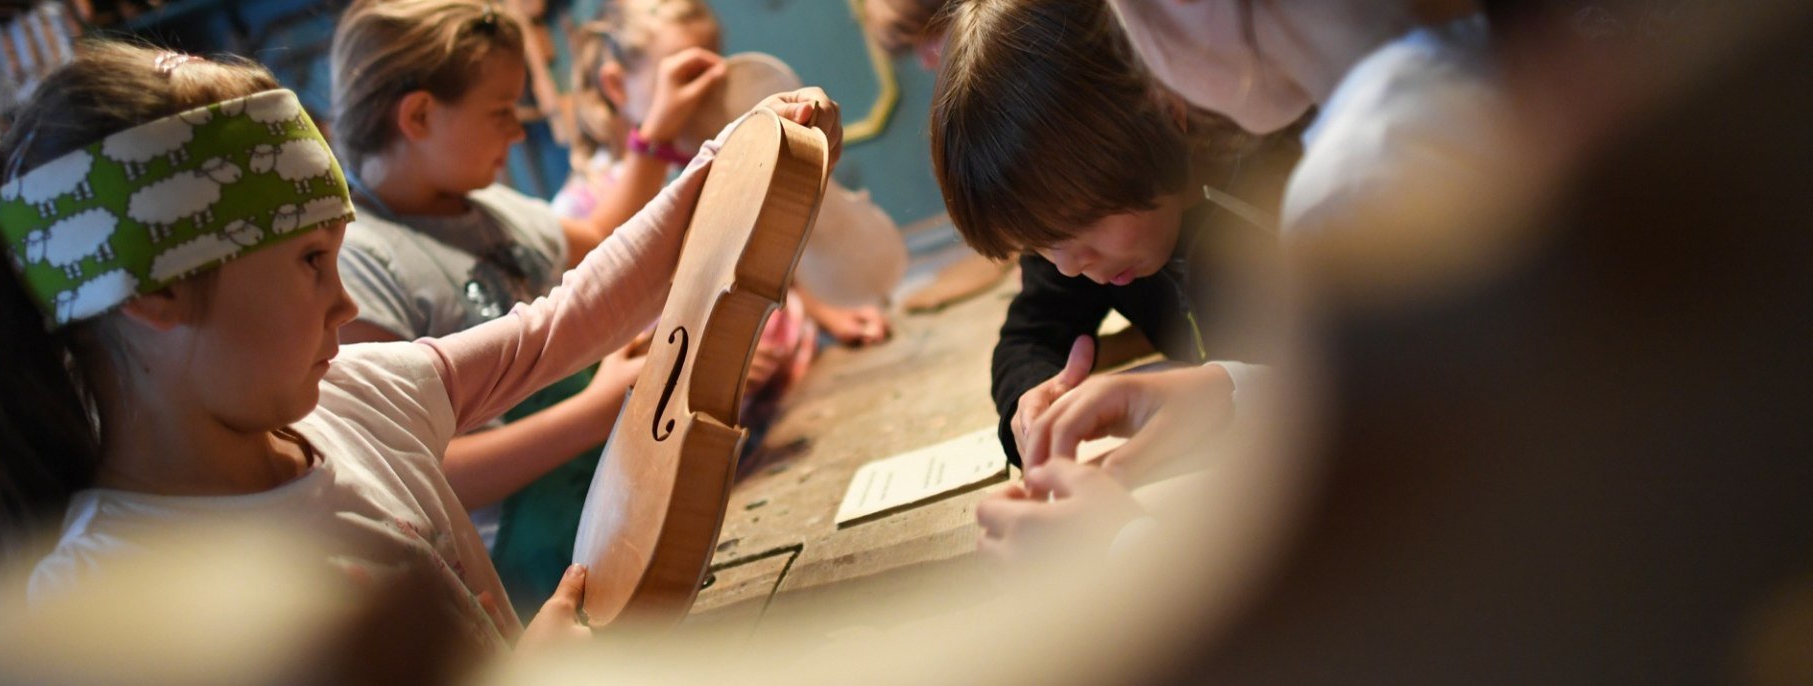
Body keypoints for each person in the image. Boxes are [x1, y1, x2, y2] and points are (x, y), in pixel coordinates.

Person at [0, 37, 840, 656]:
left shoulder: (349, 396)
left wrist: (723, 166)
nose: (345, 302)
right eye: (311, 262)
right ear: (156, 291)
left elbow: (561, 322)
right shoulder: (103, 618)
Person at [984, 0, 1507, 558]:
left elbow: (1405, 535)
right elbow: (1408, 393)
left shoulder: (1359, 183)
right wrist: (1228, 390)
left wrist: (1116, 543)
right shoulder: (1474, 65)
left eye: (1128, 21)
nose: (1141, 62)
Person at [326, 0, 729, 615]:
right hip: (524, 581)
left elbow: (601, 243)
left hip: (609, 517)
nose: (517, 130)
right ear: (419, 114)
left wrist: (653, 137)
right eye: (500, 111)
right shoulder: (359, 264)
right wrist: (596, 411)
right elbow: (420, 466)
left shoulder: (491, 206)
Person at [930, 0, 1278, 465]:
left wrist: (1223, 390)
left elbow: (1383, 370)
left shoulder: (1286, 189)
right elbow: (1030, 335)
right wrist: (1031, 406)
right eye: (1038, 243)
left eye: (1079, 225)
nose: (1069, 265)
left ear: (1159, 113)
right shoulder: (1081, 245)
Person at [558, 0, 892, 353]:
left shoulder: (717, 157)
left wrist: (824, 308)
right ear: (617, 88)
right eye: (690, 75)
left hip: (800, 362)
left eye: (719, 63)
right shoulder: (581, 207)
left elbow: (763, 260)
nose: (715, 87)